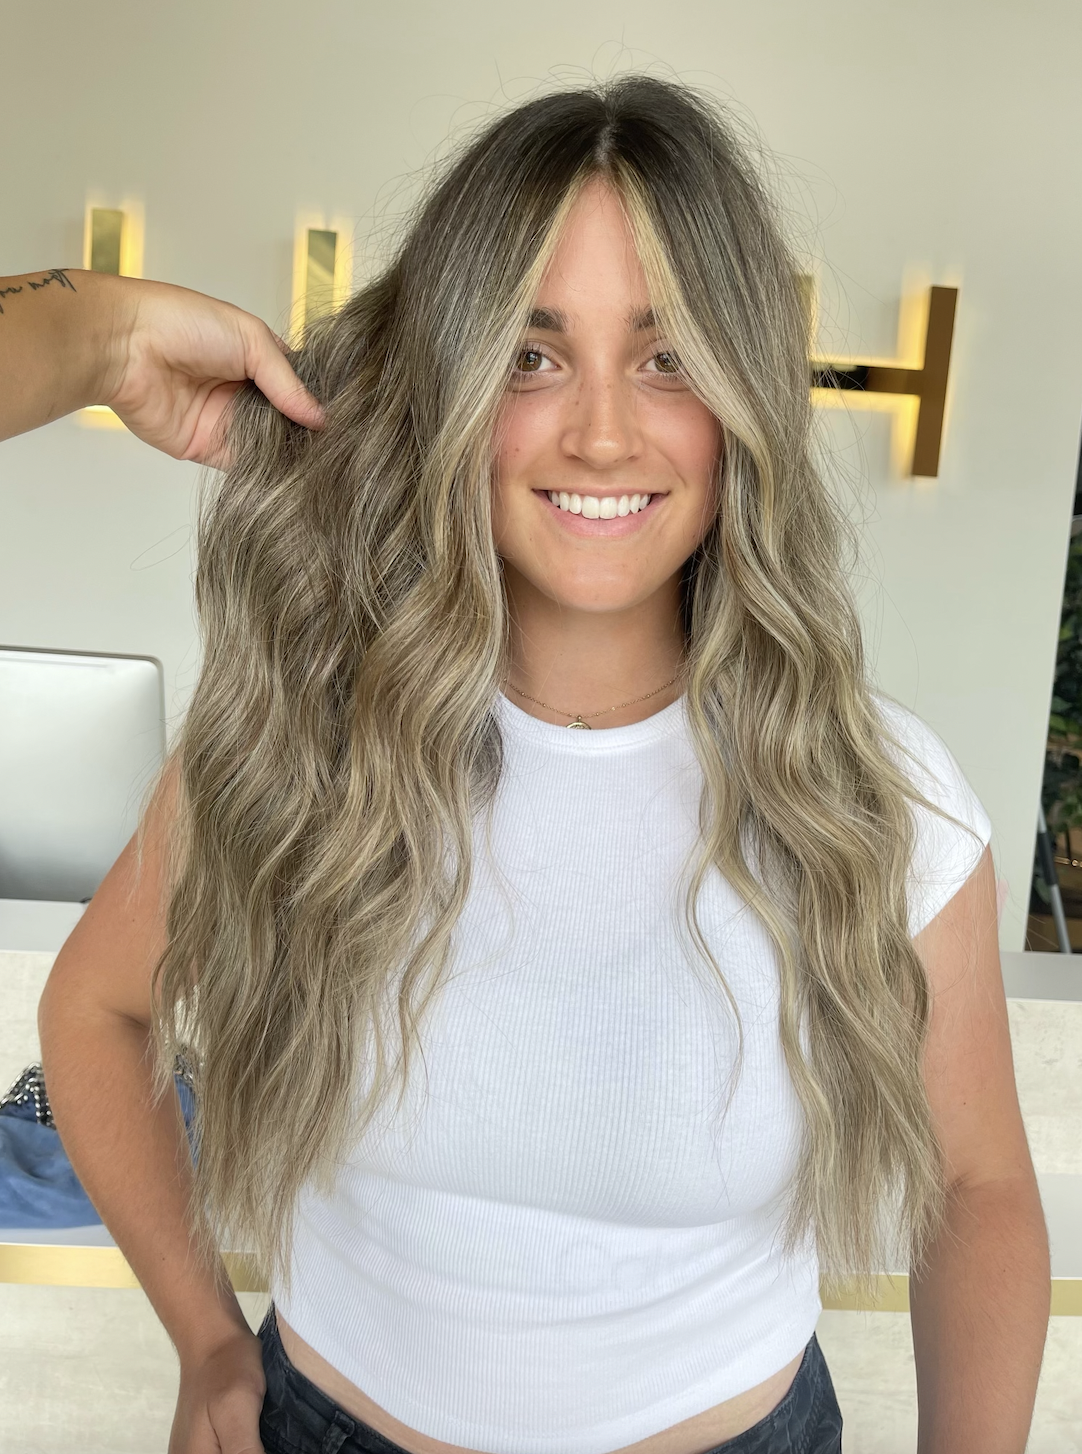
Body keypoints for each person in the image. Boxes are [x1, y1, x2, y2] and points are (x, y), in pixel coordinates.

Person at [9, 75, 1049, 1454]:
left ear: (742, 394)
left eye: (668, 355)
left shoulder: (880, 795)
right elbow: (93, 1016)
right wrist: (206, 1337)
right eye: (530, 355)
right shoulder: (301, 737)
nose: (603, 431)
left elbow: (978, 1187)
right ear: (445, 389)